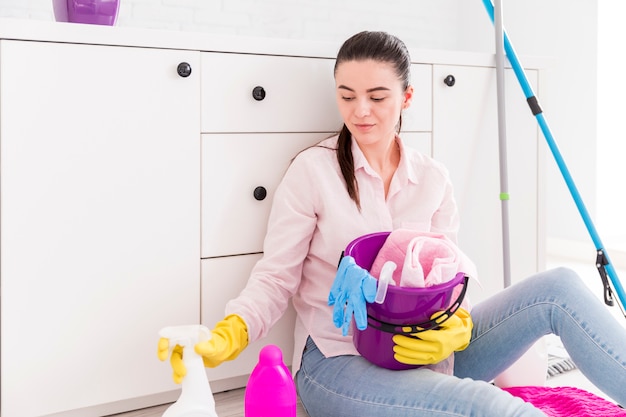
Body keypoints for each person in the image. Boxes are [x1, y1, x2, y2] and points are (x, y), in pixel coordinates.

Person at [158, 31, 626, 416]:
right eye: (347, 96)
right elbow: (276, 278)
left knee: (560, 288)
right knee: (489, 406)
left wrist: (455, 327)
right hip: (339, 363)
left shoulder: (432, 178)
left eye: (377, 96)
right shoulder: (313, 172)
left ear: (406, 97)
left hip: (427, 351)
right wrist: (230, 331)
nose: (360, 111)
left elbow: (448, 280)